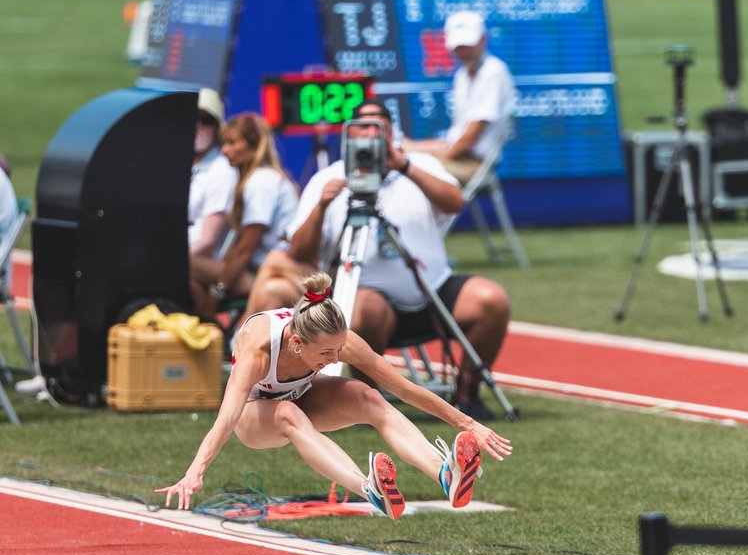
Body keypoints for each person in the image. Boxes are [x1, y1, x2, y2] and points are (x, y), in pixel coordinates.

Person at [157, 270, 513, 518]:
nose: (335, 358)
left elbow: (403, 388)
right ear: (297, 343)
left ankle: (445, 476)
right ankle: (368, 488)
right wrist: (195, 472)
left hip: (301, 393)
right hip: (254, 416)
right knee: (288, 414)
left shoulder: (338, 341)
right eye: (327, 353)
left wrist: (468, 424)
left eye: (339, 349)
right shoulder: (260, 350)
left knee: (369, 397)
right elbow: (226, 418)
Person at [242, 99, 511, 419]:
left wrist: (403, 166)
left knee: (491, 299)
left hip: (432, 289)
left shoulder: (419, 164)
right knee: (366, 307)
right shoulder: (330, 177)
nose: (370, 135)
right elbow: (300, 252)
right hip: (368, 302)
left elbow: (455, 203)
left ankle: (467, 394)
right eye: (363, 127)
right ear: (349, 134)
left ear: (391, 132)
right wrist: (322, 206)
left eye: (378, 127)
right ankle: (368, 403)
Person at [189, 112, 298, 322]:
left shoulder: (261, 182)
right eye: (224, 143)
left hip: (272, 275)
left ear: (253, 146)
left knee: (185, 264)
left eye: (232, 143)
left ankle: (211, 322)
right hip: (256, 270)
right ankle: (211, 329)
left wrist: (217, 292)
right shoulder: (256, 179)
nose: (224, 150)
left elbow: (245, 248)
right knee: (191, 278)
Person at [404, 10, 517, 187]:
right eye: (459, 47)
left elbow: (469, 139)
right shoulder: (462, 75)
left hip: (472, 164)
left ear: (483, 40)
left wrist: (434, 161)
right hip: (458, 155)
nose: (463, 52)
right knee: (404, 153)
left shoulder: (493, 73)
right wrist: (408, 148)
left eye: (468, 45)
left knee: (407, 170)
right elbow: (456, 139)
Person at [188, 88, 237, 260]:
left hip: (195, 262)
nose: (198, 126)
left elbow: (208, 243)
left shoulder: (222, 171)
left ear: (217, 128)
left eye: (206, 120)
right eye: (192, 117)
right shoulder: (177, 161)